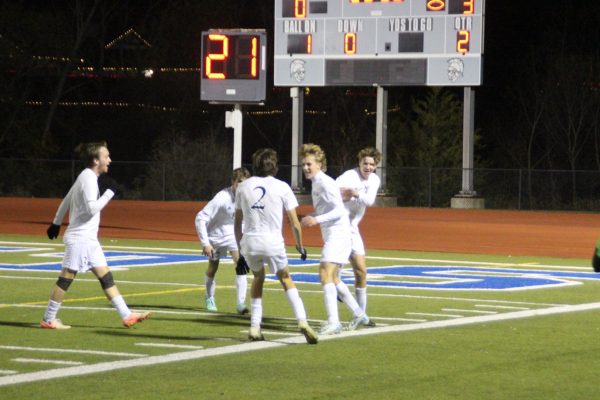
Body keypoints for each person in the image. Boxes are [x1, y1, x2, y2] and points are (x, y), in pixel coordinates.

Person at [42, 141, 150, 329]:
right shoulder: (89, 178)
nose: (110, 159)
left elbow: (66, 199)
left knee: (106, 277)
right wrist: (110, 193)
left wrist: (56, 223)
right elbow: (92, 208)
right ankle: (49, 318)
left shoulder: (85, 176)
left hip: (89, 240)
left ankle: (126, 315)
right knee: (66, 277)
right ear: (95, 160)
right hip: (80, 238)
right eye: (106, 156)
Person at [234, 148, 318, 344]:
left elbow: (237, 224)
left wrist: (241, 252)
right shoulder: (282, 187)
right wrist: (300, 245)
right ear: (275, 166)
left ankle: (255, 327)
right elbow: (294, 222)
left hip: (251, 241)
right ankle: (302, 321)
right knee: (286, 278)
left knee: (258, 278)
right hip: (273, 242)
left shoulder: (243, 187)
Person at [299, 143, 370, 335]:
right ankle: (358, 313)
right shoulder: (316, 182)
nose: (306, 167)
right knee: (334, 277)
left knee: (324, 274)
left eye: (309, 164)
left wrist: (316, 219)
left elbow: (339, 210)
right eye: (304, 164)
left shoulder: (325, 182)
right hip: (334, 234)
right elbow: (327, 209)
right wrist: (307, 217)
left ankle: (334, 322)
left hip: (338, 235)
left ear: (319, 164)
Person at [195, 167, 251, 314]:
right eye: (239, 182)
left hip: (233, 235)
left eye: (245, 183)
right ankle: (209, 297)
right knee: (213, 267)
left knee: (241, 265)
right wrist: (205, 243)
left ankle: (240, 303)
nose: (241, 186)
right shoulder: (221, 197)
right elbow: (200, 218)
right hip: (215, 237)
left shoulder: (248, 197)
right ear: (233, 182)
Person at [336, 147, 382, 325]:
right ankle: (351, 312)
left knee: (361, 271)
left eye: (372, 164)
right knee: (333, 276)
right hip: (338, 227)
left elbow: (369, 200)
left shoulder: (375, 179)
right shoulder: (348, 176)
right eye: (365, 163)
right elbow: (333, 191)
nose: (368, 167)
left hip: (353, 229)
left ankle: (361, 315)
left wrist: (354, 193)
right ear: (359, 162)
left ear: (376, 166)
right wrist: (342, 194)